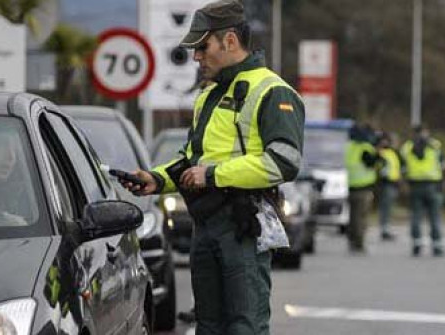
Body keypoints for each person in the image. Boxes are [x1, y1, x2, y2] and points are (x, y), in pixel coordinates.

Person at [118, 1, 305, 333]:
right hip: (204, 225)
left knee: (244, 326)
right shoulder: (208, 95)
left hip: (242, 227)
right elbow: (193, 159)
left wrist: (215, 175)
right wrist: (156, 180)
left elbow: (284, 162)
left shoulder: (272, 91)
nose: (196, 57)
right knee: (207, 326)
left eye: (202, 47)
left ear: (229, 41)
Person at [401, 124, 445, 257]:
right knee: (435, 217)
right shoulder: (435, 146)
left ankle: (416, 244)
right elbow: (443, 165)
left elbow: (403, 168)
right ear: (426, 132)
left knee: (416, 216)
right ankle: (437, 246)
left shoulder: (407, 147)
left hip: (415, 186)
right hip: (433, 185)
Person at [345, 122, 379, 253]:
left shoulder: (349, 147)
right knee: (361, 217)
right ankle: (359, 242)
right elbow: (371, 163)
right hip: (364, 188)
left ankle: (352, 240)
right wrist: (377, 153)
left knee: (352, 217)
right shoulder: (365, 148)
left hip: (351, 186)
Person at [376, 132, 401, 241]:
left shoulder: (392, 152)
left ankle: (386, 229)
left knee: (388, 208)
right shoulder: (381, 152)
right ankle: (384, 230)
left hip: (393, 184)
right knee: (385, 208)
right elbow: (380, 168)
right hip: (385, 184)